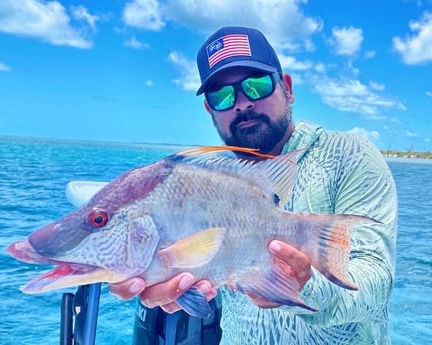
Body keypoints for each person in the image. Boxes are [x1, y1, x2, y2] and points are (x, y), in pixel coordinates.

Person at [109, 26, 397, 344]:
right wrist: (158, 278)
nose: (242, 103)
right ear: (209, 110)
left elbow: (377, 282)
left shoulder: (348, 154)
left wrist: (303, 284)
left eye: (256, 85)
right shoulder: (212, 185)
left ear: (287, 88)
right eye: (222, 95)